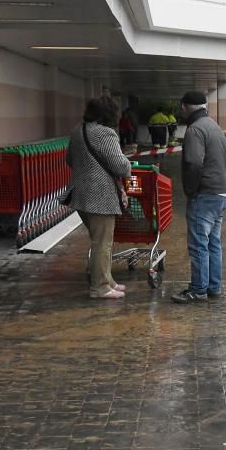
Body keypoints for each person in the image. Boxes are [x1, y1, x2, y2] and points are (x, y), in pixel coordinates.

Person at [65, 98, 133, 300]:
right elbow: (121, 166)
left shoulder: (79, 130)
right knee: (102, 242)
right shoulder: (105, 133)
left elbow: (69, 159)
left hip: (80, 194)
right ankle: (100, 287)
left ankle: (108, 280)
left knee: (100, 240)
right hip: (100, 196)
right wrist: (128, 164)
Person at [171, 91, 226, 304]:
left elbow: (194, 162)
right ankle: (214, 287)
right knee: (213, 243)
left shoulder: (195, 129)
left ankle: (198, 290)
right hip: (220, 193)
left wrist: (190, 189)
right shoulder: (214, 126)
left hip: (203, 195)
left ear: (185, 107)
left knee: (198, 244)